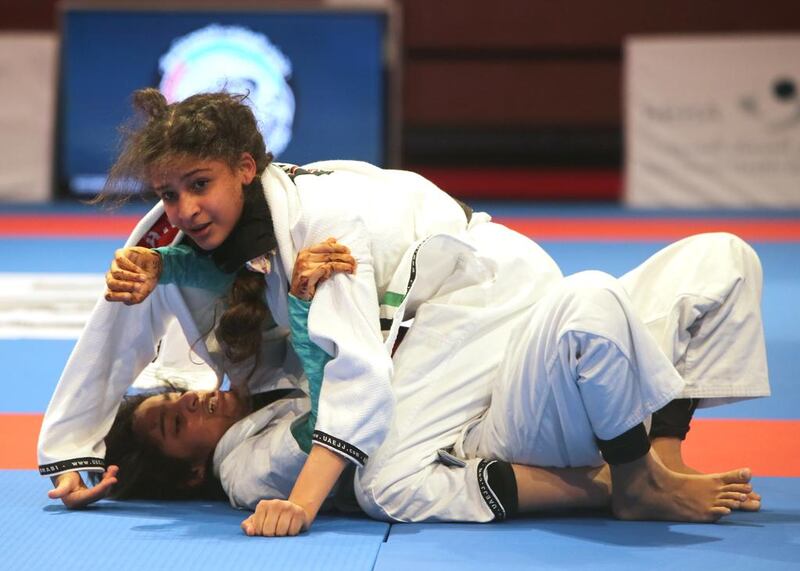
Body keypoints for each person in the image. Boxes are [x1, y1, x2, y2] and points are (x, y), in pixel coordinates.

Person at [102, 231, 765, 537]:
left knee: (723, 257)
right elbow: (323, 427)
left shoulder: (254, 374)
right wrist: (312, 316)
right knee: (588, 299)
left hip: (486, 347)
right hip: (490, 425)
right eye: (173, 422)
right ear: (191, 472)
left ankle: (661, 460)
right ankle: (628, 481)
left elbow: (236, 277)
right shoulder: (243, 465)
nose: (189, 400)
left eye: (172, 394)